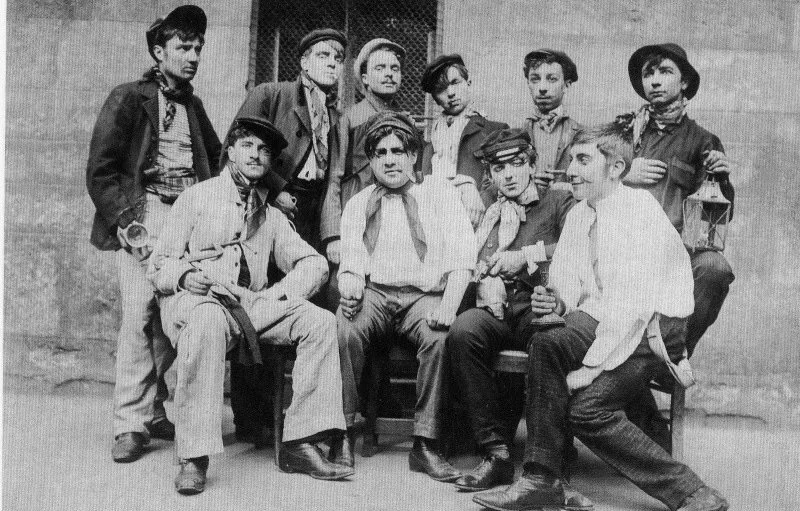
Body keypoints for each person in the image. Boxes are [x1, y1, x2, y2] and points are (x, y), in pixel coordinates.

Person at [472, 123, 729, 511]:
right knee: (547, 339)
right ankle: (542, 479)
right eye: (571, 159)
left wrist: (586, 372)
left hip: (650, 331)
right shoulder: (579, 214)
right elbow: (571, 291)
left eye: (583, 160)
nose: (570, 170)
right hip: (605, 320)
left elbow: (631, 311)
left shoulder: (638, 211)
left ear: (616, 168)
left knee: (585, 408)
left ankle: (693, 493)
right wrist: (554, 304)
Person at [148, 116, 353, 495]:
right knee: (208, 321)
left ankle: (301, 441)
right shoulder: (198, 197)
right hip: (199, 300)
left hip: (249, 306)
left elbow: (314, 263)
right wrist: (183, 277)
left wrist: (278, 296)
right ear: (230, 150)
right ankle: (194, 456)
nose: (256, 155)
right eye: (248, 146)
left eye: (264, 151)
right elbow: (159, 265)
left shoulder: (271, 215)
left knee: (320, 322)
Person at [85, 5, 221, 463]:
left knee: (175, 318)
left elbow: (221, 161)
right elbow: (101, 171)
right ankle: (129, 423)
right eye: (183, 47)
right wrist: (128, 222)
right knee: (140, 317)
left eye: (198, 48)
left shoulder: (194, 106)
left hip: (188, 220)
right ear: (159, 51)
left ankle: (159, 412)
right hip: (147, 217)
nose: (193, 55)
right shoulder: (128, 97)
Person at [335, 111, 476, 481]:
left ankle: (425, 443)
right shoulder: (359, 202)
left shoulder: (439, 195)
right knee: (344, 328)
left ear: (413, 155)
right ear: (371, 160)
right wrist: (349, 285)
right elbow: (351, 259)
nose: (390, 160)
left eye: (398, 151)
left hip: (423, 295)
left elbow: (464, 257)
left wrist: (448, 306)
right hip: (375, 293)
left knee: (440, 337)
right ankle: (344, 431)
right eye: (380, 153)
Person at [227, 27, 347, 444]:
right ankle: (251, 417)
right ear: (304, 62)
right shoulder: (271, 93)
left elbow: (332, 176)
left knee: (298, 306)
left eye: (338, 58)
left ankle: (297, 413)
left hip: (311, 214)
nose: (332, 63)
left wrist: (328, 232)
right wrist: (275, 191)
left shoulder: (335, 114)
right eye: (324, 55)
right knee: (256, 298)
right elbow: (238, 144)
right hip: (268, 206)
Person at [617, 43, 736, 448]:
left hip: (674, 255)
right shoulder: (624, 132)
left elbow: (718, 217)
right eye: (648, 73)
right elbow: (586, 177)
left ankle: (669, 351)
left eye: (664, 72)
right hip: (622, 250)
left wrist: (722, 179)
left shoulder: (703, 141)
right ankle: (651, 373)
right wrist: (623, 171)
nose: (653, 81)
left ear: (683, 82)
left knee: (715, 268)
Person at [446, 128, 574, 492]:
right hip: (496, 305)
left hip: (541, 303)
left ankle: (551, 454)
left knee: (551, 340)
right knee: (464, 330)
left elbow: (575, 247)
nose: (509, 175)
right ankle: (495, 451)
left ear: (532, 165)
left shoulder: (558, 201)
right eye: (500, 168)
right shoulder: (488, 208)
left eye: (517, 163)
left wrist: (525, 256)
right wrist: (480, 266)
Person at [321, 38, 407, 266]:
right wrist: (333, 235)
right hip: (358, 212)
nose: (389, 74)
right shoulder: (350, 118)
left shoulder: (405, 121)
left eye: (394, 68)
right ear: (366, 79)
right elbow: (334, 177)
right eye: (380, 68)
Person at [418, 54, 509, 226]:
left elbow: (506, 181)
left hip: (479, 221)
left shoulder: (495, 131)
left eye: (455, 83)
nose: (450, 93)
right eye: (441, 89)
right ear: (435, 99)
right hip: (436, 222)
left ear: (468, 83)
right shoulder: (431, 142)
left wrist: (475, 191)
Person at [522, 49, 581, 192]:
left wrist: (569, 187)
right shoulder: (516, 133)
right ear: (529, 84)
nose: (542, 88)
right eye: (535, 79)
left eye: (551, 79)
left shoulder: (582, 134)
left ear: (566, 85)